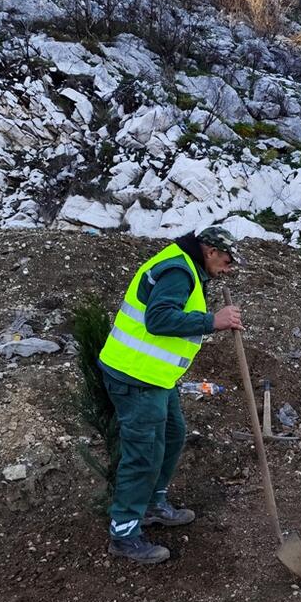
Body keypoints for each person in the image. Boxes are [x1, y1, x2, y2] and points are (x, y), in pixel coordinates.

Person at [97, 226, 244, 563]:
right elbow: (158, 319)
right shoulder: (178, 270)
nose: (230, 266)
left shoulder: (189, 267)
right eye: (227, 259)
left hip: (156, 377)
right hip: (135, 376)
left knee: (174, 435)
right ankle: (124, 535)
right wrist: (212, 321)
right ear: (209, 251)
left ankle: (151, 505)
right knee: (144, 453)